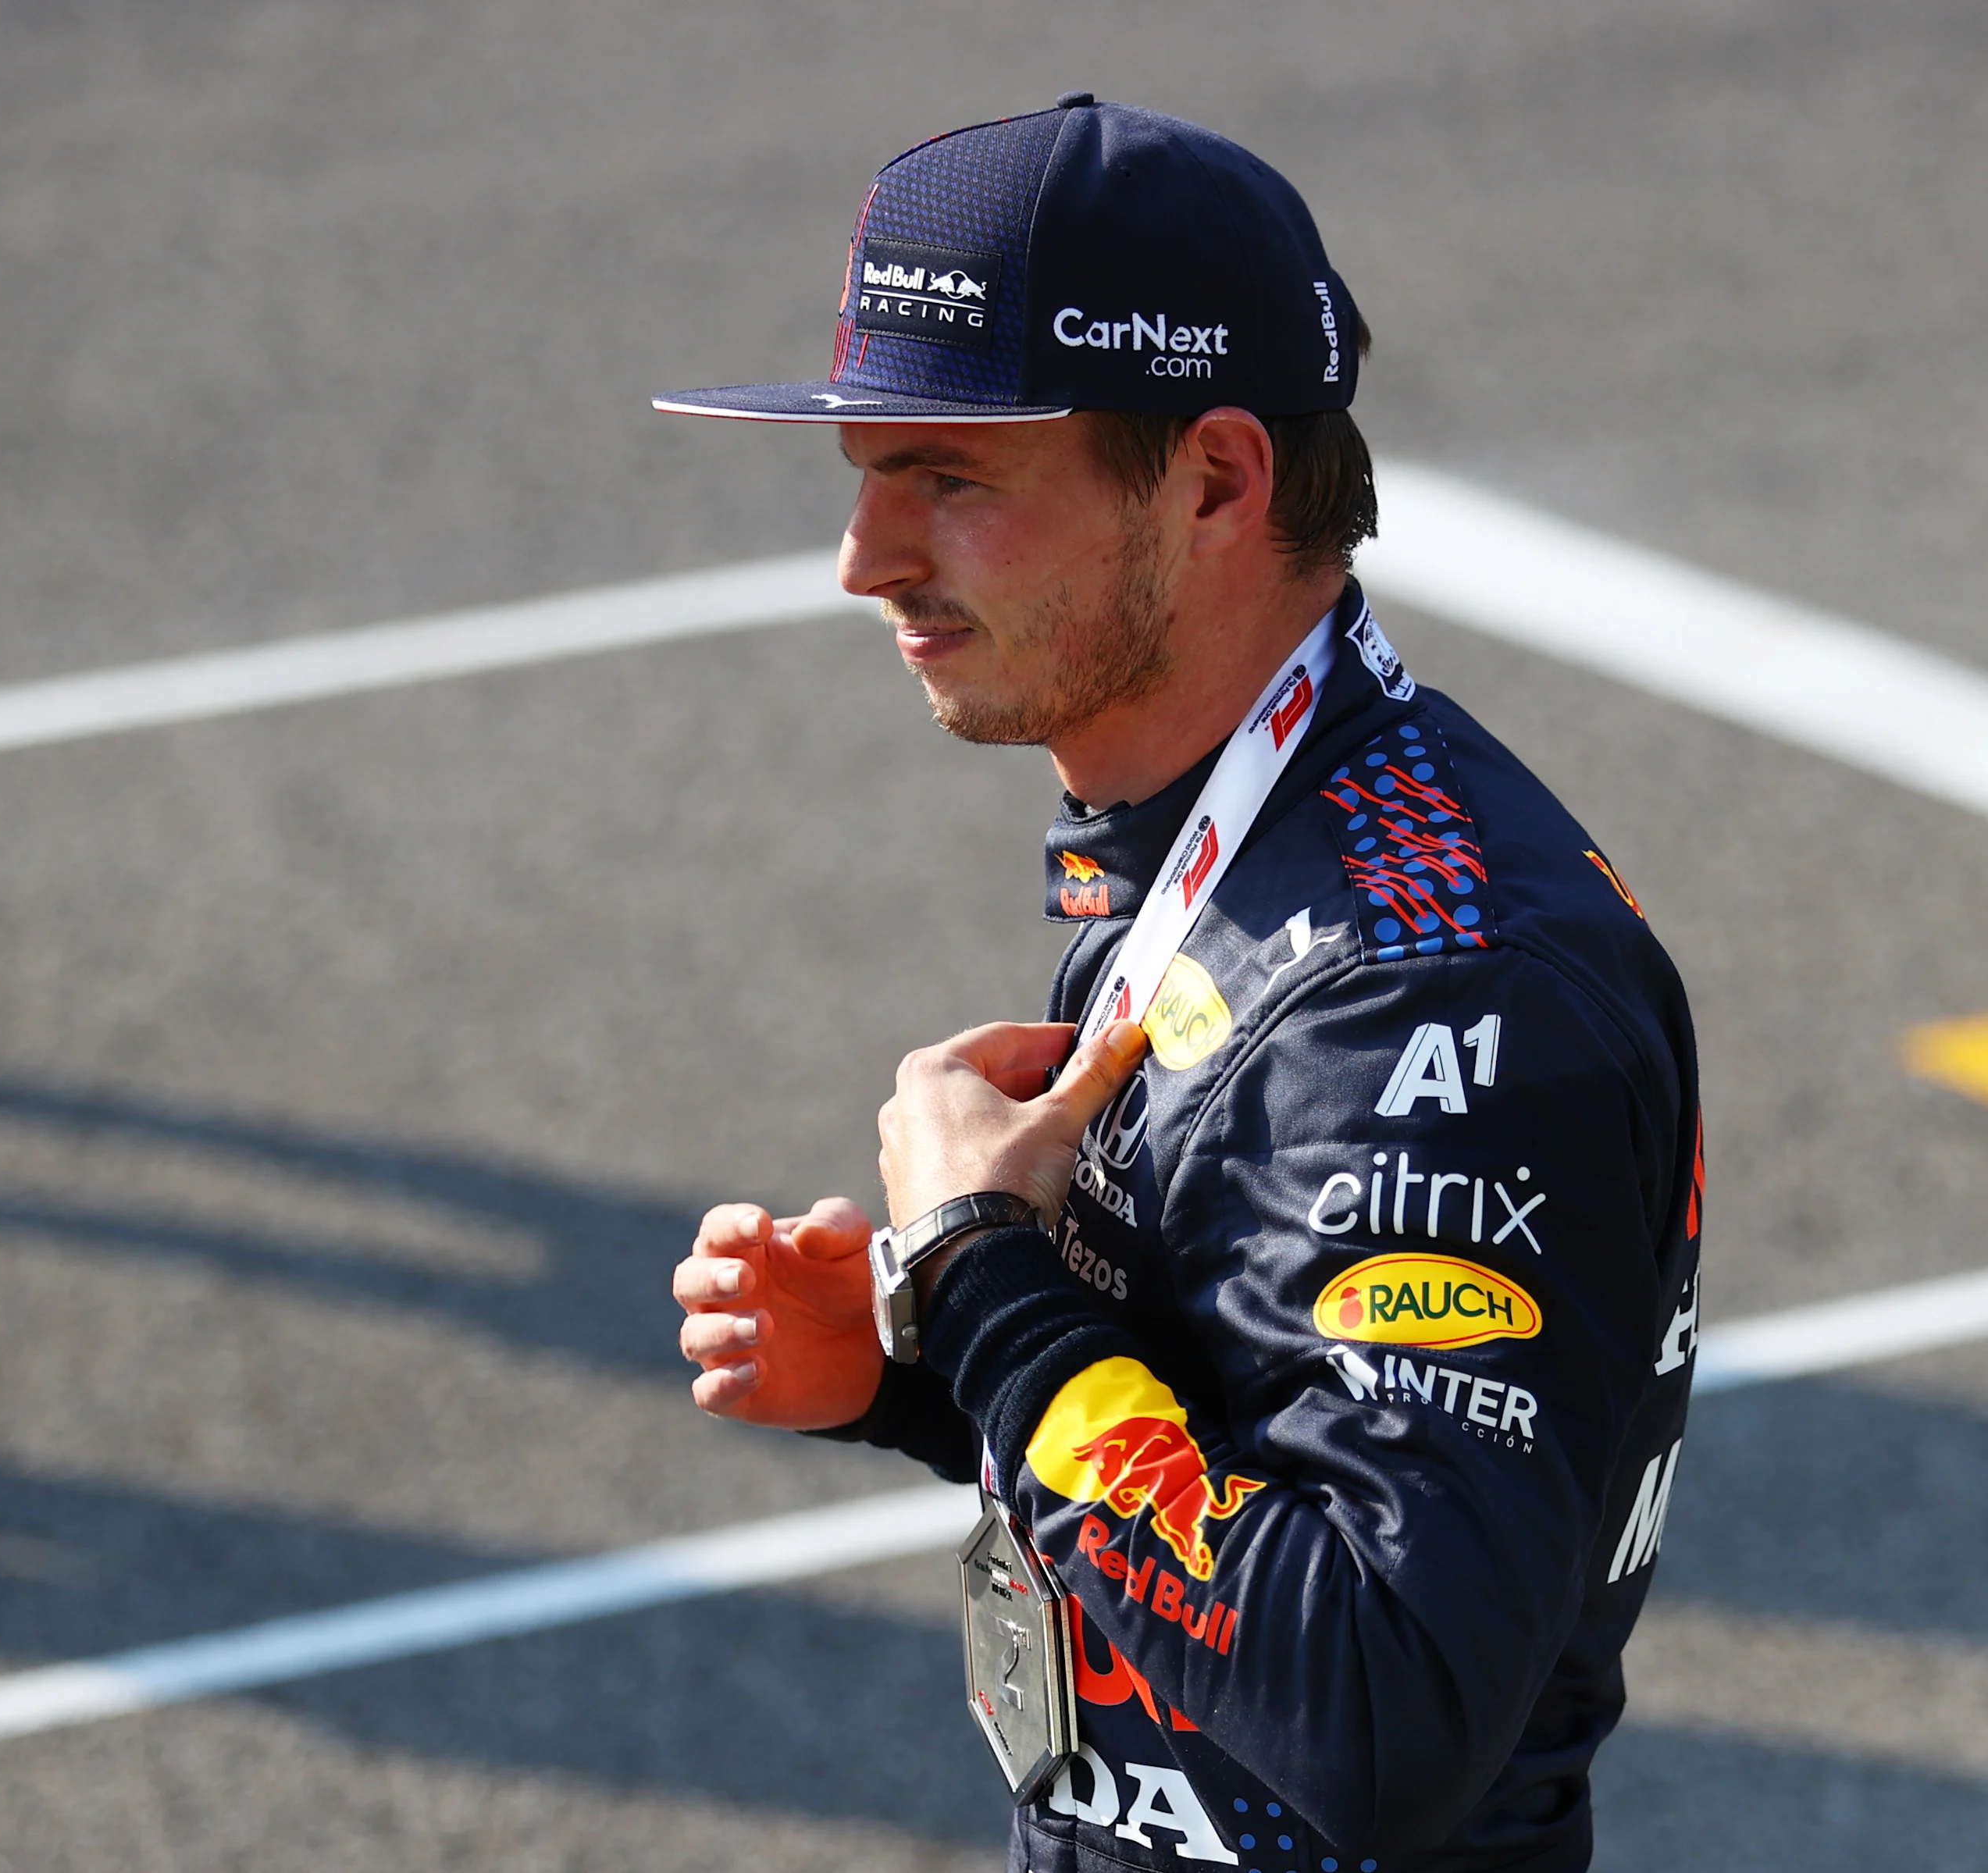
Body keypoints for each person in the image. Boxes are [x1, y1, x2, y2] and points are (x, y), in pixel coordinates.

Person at [658, 95, 1701, 1873]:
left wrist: (987, 1282)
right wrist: (920, 1368)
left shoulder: (1435, 992)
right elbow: (1254, 1416)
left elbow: (1379, 1711)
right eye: (863, 472)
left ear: (1215, 478)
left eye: (952, 477)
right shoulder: (1209, 827)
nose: (866, 557)